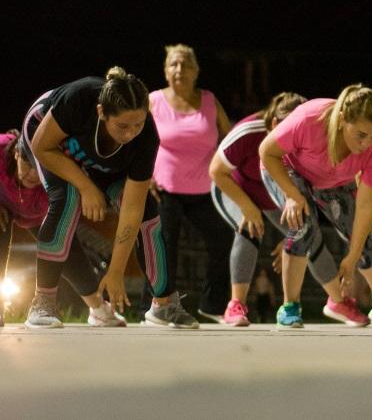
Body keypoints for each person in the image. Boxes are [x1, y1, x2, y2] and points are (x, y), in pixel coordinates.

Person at [20, 68, 197, 328]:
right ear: (102, 112)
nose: (130, 133)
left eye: (138, 124)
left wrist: (115, 272)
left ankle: (164, 305)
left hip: (95, 161)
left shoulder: (145, 137)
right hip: (49, 141)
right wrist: (86, 187)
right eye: (123, 126)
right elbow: (41, 146)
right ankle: (43, 303)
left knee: (149, 218)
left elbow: (133, 209)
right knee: (67, 201)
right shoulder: (78, 99)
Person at [259, 84, 372, 329]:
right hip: (286, 168)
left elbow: (366, 209)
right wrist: (292, 195)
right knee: (304, 225)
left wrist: (352, 256)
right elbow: (266, 151)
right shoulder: (309, 119)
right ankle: (289, 306)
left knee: (361, 236)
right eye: (360, 135)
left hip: (332, 179)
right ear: (342, 120)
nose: (367, 143)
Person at [209, 91, 371, 327]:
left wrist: (292, 237)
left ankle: (339, 301)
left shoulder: (309, 135)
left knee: (308, 233)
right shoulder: (249, 132)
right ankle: (236, 305)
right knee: (249, 228)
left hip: (276, 195)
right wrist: (247, 207)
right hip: (234, 188)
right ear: (275, 124)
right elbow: (216, 171)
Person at [0, 129, 125, 327]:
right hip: (3, 208)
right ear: (16, 153)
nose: (33, 174)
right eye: (27, 165)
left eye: (39, 169)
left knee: (66, 249)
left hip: (38, 214)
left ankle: (99, 310)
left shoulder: (57, 172)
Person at [148, 44, 233, 322]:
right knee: (163, 244)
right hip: (164, 189)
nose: (179, 70)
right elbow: (135, 139)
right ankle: (154, 307)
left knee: (224, 238)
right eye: (173, 64)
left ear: (196, 71)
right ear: (165, 70)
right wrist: (144, 177)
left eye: (185, 64)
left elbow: (230, 139)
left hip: (204, 190)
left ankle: (212, 305)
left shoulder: (209, 100)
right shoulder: (154, 101)